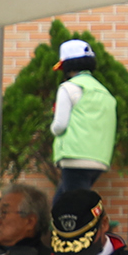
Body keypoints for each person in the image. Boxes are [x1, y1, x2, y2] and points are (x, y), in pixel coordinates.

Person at [49, 38, 117, 196]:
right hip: (99, 159)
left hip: (73, 156)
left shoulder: (68, 88)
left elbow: (60, 125)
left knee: (72, 205)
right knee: (63, 201)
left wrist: (52, 130)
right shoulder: (104, 91)